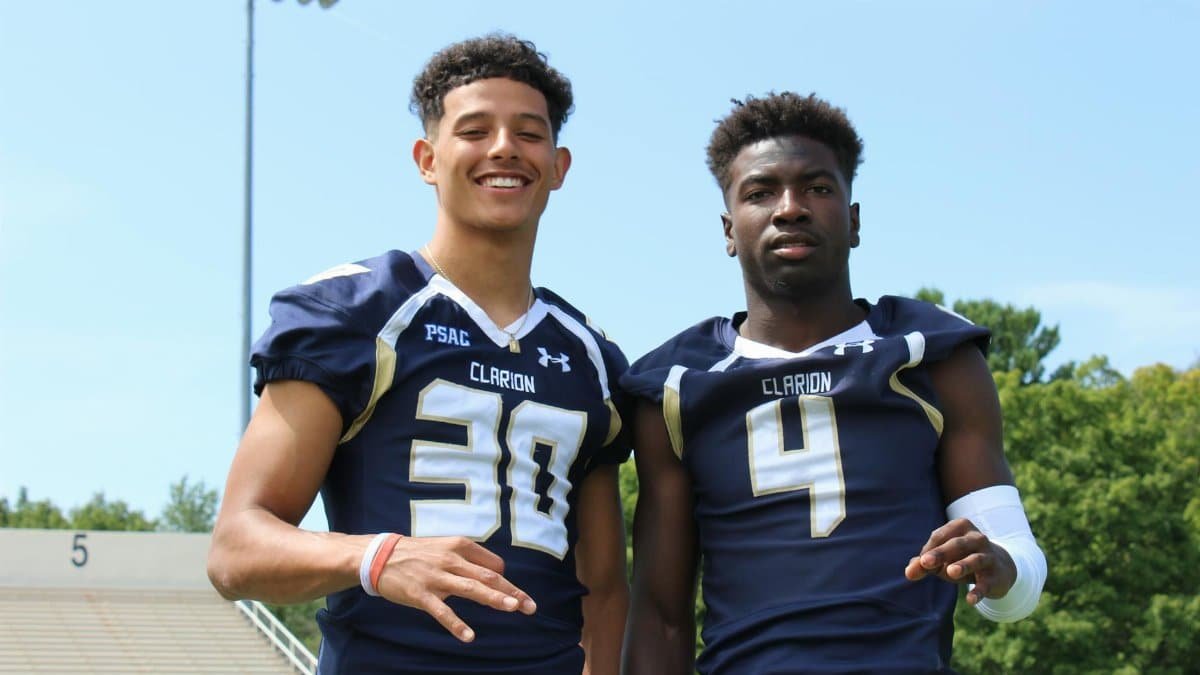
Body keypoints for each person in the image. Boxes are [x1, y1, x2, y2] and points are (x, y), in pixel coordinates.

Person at [207, 35, 630, 675]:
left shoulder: (590, 357)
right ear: (427, 159)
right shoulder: (356, 312)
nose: (504, 148)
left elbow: (604, 588)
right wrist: (377, 558)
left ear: (559, 165)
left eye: (528, 132)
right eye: (475, 129)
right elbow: (236, 550)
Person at [620, 92, 1047, 674]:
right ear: (728, 228)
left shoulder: (931, 353)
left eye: (817, 188)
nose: (790, 208)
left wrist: (998, 568)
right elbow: (659, 617)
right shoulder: (675, 384)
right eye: (761, 192)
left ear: (853, 220)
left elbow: (1016, 578)